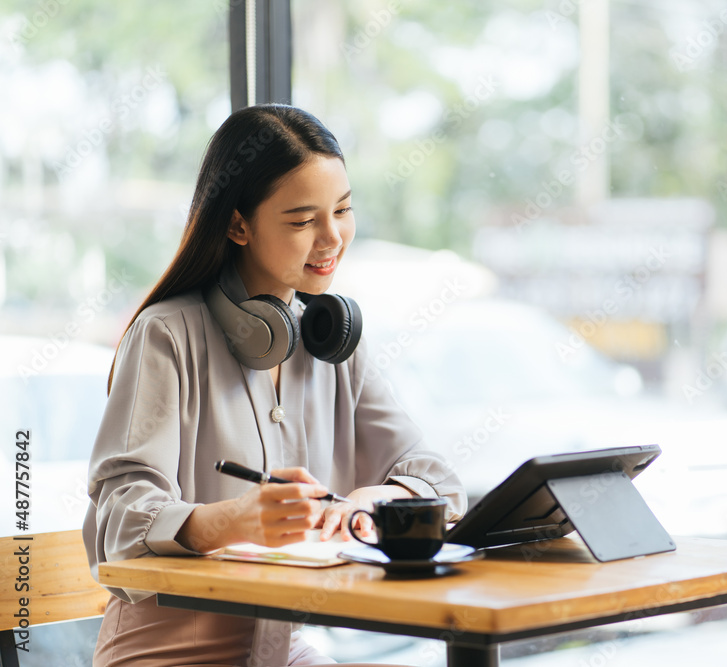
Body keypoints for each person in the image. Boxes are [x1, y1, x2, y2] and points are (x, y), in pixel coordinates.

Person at [83, 103, 466, 666]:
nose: (332, 237)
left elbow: (441, 483)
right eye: (303, 220)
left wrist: (380, 498)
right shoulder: (166, 333)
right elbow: (118, 515)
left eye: (343, 210)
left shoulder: (334, 342)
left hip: (280, 651)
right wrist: (231, 521)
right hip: (166, 654)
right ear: (238, 224)